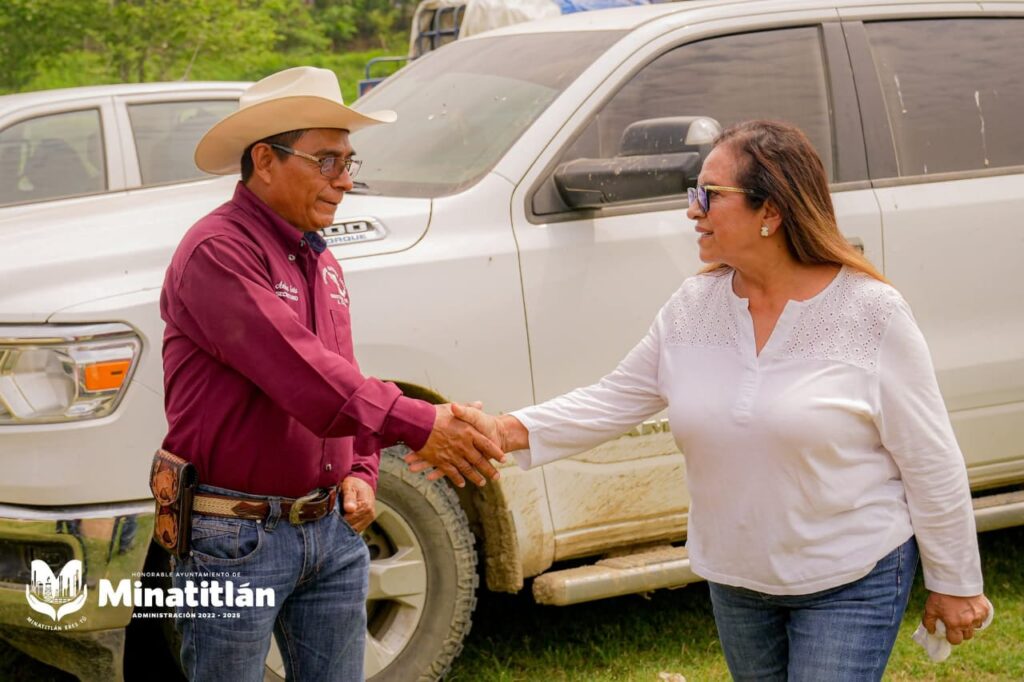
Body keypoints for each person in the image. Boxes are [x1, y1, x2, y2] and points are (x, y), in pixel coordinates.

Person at [423, 120, 992, 680]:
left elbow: (930, 458)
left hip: (851, 572)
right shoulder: (693, 306)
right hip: (736, 578)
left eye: (709, 195)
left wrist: (956, 581)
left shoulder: (872, 313)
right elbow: (613, 399)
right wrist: (501, 430)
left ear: (771, 211)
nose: (692, 209)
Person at [160, 66, 502, 682]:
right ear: (265, 159)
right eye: (327, 161)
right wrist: (423, 423)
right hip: (233, 538)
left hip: (329, 529)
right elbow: (304, 375)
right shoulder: (218, 251)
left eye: (349, 162)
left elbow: (340, 377)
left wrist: (363, 469)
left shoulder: (317, 256)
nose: (345, 180)